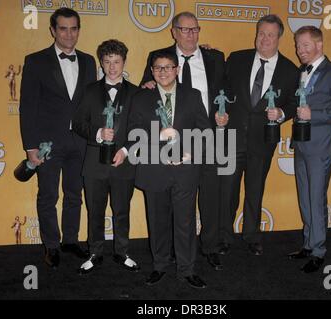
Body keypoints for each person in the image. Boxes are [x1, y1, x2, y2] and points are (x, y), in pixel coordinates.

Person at [140, 11, 228, 271]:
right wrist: (146, 85)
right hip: (170, 145)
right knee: (171, 198)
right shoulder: (158, 58)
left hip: (207, 138)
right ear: (173, 32)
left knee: (210, 196)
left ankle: (210, 247)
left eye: (195, 29)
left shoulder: (215, 56)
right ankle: (168, 253)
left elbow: (225, 91)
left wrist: (224, 114)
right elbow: (147, 91)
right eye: (185, 29)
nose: (191, 34)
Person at [19, 8, 97, 268]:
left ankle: (71, 241)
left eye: (74, 28)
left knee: (75, 194)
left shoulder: (88, 61)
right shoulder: (36, 60)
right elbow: (27, 107)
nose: (69, 34)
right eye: (63, 28)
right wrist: (30, 146)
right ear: (53, 30)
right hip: (47, 144)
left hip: (80, 142)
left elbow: (91, 103)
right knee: (48, 196)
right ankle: (51, 245)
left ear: (79, 30)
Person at [128, 49, 210, 289]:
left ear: (177, 70)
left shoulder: (193, 95)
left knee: (185, 222)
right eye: (158, 68)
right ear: (152, 71)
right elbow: (132, 135)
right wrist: (157, 135)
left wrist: (190, 152)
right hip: (154, 168)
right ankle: (159, 266)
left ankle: (187, 270)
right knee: (158, 221)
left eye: (168, 67)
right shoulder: (140, 97)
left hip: (185, 169)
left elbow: (205, 131)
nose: (163, 72)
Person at [220, 14, 300, 256]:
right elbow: (221, 88)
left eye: (270, 34)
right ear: (256, 34)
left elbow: (295, 102)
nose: (265, 38)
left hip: (263, 141)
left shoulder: (290, 70)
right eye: (261, 33)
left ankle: (252, 235)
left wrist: (282, 113)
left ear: (279, 38)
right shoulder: (236, 59)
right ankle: (223, 237)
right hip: (231, 138)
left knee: (255, 189)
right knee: (227, 190)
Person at [288, 26, 331, 273]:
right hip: (301, 143)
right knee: (305, 198)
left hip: (321, 146)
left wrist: (314, 114)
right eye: (297, 45)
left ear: (319, 44)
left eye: (305, 45)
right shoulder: (300, 72)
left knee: (316, 199)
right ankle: (307, 244)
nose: (300, 50)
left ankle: (319, 251)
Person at [73, 39, 140, 275]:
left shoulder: (136, 92)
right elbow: (78, 124)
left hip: (124, 163)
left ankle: (122, 252)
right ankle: (95, 253)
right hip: (94, 164)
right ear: (101, 62)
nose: (112, 67)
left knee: (122, 211)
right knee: (95, 211)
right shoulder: (90, 91)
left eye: (117, 62)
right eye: (107, 62)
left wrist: (126, 150)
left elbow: (141, 127)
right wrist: (98, 133)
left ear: (124, 62)